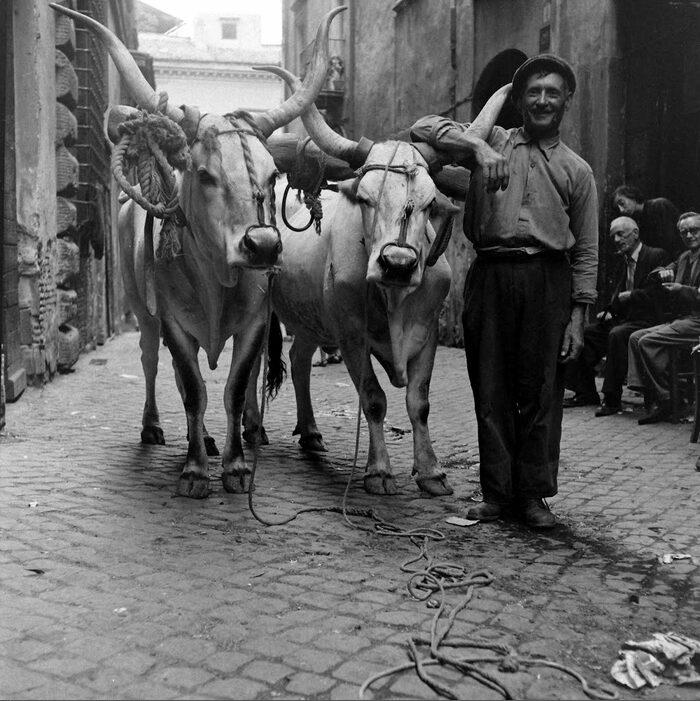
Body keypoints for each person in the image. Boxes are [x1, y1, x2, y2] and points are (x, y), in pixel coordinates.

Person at [410, 54, 599, 528]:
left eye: (552, 92)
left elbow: (587, 252)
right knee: (490, 387)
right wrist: (476, 147)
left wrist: (578, 316)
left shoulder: (577, 170)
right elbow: (423, 127)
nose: (542, 100)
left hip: (547, 280)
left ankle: (532, 496)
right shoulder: (491, 140)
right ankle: (496, 493)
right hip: (490, 276)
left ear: (567, 101)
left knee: (541, 391)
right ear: (520, 100)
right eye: (534, 92)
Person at [563, 216, 670, 414]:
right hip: (626, 320)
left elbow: (660, 293)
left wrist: (631, 296)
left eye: (621, 234)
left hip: (649, 320)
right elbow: (618, 296)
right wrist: (610, 311)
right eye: (613, 236)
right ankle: (585, 392)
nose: (616, 240)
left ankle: (612, 399)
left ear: (635, 233)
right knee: (586, 334)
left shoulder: (656, 256)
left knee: (617, 335)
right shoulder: (623, 261)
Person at [627, 212, 700, 424]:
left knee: (647, 341)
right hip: (683, 320)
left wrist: (681, 289)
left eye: (694, 230)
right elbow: (668, 268)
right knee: (635, 337)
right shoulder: (685, 257)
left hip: (697, 321)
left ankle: (668, 398)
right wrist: (663, 271)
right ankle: (659, 394)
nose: (689, 235)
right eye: (684, 232)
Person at [613, 184, 683, 258]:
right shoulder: (637, 221)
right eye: (618, 208)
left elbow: (671, 242)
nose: (621, 210)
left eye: (622, 203)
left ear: (632, 197)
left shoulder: (659, 205)